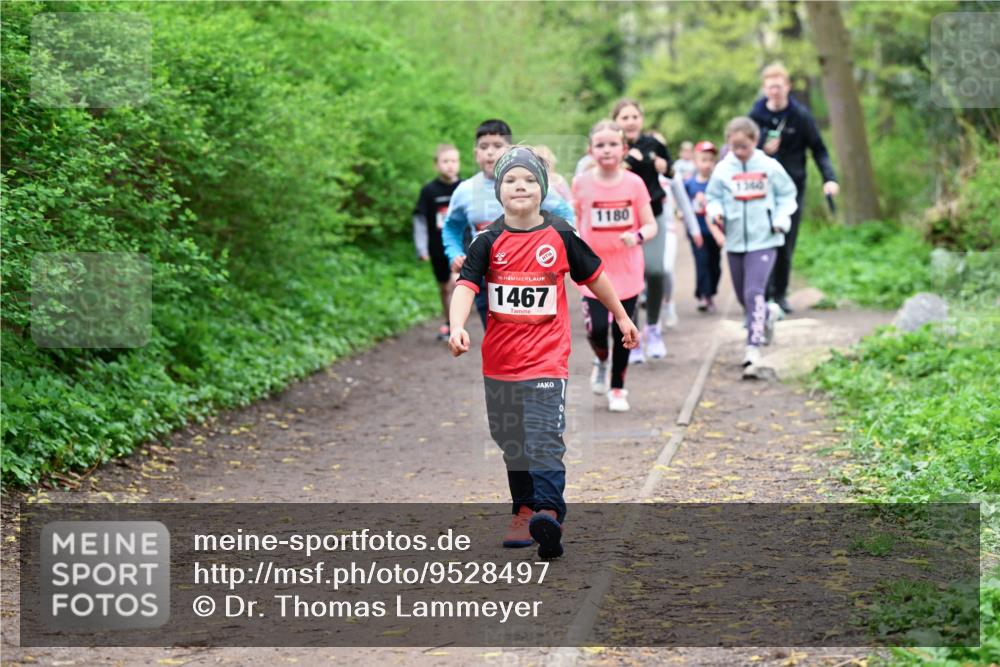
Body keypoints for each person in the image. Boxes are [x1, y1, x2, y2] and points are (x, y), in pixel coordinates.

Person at [449, 146, 638, 559]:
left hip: (547, 360)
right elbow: (466, 286)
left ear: (543, 188)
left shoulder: (561, 235)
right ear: (498, 190)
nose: (521, 187)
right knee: (510, 439)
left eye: (530, 180)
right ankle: (523, 508)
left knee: (543, 438)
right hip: (499, 363)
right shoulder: (487, 241)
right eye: (512, 180)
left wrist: (622, 317)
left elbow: (597, 276)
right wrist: (459, 325)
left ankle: (548, 514)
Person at [443, 120, 575, 331]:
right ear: (476, 153)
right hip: (486, 277)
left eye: (497, 146)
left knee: (533, 334)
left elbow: (565, 213)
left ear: (509, 150)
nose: (490, 153)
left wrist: (563, 251)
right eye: (484, 147)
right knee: (497, 334)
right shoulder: (465, 191)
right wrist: (454, 253)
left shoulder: (531, 185)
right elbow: (451, 227)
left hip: (531, 274)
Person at [572, 120, 658, 413]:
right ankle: (601, 359)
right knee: (597, 330)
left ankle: (618, 388)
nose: (606, 150)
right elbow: (574, 221)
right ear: (591, 150)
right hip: (593, 271)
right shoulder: (581, 183)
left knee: (625, 331)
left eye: (612, 145)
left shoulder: (634, 183)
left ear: (623, 149)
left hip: (628, 270)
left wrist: (636, 236)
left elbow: (650, 225)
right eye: (600, 145)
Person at [706, 117, 798, 377]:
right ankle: (768, 312)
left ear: (754, 142)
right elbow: (712, 197)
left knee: (754, 291)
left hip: (765, 239)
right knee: (743, 297)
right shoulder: (724, 169)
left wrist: (780, 220)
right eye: (734, 146)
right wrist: (716, 212)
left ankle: (752, 349)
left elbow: (787, 195)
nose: (739, 152)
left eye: (744, 146)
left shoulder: (769, 166)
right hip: (735, 241)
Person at [748, 63, 839, 314]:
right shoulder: (755, 116)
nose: (775, 91)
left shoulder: (800, 116)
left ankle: (780, 294)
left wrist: (829, 179)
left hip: (791, 189)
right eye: (770, 87)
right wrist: (760, 150)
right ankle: (762, 295)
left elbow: (819, 149)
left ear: (787, 87)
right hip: (760, 189)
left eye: (779, 86)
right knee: (763, 240)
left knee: (785, 242)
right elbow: (740, 148)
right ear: (764, 89)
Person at [612, 100, 698, 362]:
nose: (630, 121)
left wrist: (665, 167)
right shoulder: (611, 146)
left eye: (634, 116)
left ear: (642, 118)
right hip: (622, 217)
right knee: (628, 279)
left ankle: (653, 328)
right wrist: (625, 161)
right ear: (616, 121)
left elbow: (672, 172)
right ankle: (632, 337)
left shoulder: (654, 144)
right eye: (624, 117)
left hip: (654, 214)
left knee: (656, 270)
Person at [413, 144, 462, 341]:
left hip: (461, 245)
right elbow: (420, 220)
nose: (450, 166)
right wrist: (421, 247)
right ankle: (449, 322)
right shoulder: (429, 191)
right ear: (436, 165)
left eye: (454, 161)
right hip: (437, 247)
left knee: (455, 282)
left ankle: (457, 325)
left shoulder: (465, 187)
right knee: (444, 287)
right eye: (445, 161)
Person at [684, 141, 724, 313]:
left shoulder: (717, 184)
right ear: (695, 161)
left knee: (715, 265)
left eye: (710, 160)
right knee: (702, 262)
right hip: (697, 231)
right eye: (703, 160)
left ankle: (710, 292)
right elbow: (682, 205)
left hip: (714, 232)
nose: (707, 164)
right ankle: (704, 296)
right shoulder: (689, 184)